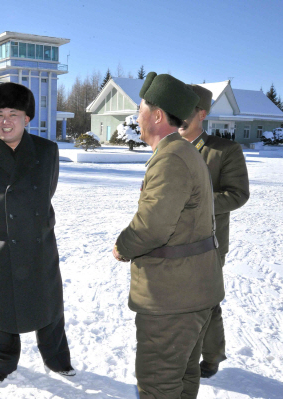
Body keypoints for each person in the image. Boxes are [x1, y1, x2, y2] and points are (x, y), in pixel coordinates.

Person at [113, 72, 224, 399]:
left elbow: (152, 226)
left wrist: (123, 246)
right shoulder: (184, 151)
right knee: (184, 378)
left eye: (140, 109)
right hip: (192, 294)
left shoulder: (171, 158)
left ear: (157, 115)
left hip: (172, 301)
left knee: (158, 385)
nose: (137, 116)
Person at [0, 82, 74, 385]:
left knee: (48, 303)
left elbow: (47, 191)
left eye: (13, 113)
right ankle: (2, 363)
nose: (5, 120)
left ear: (27, 119)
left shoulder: (47, 151)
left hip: (38, 242)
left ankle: (57, 359)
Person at [179, 84, 250, 378]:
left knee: (206, 303)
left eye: (188, 110)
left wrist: (194, 202)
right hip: (170, 243)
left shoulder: (225, 151)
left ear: (203, 114)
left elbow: (238, 194)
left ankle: (211, 356)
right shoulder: (168, 147)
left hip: (209, 243)